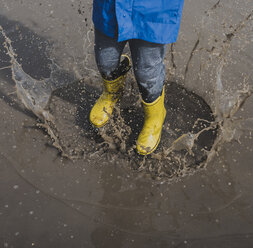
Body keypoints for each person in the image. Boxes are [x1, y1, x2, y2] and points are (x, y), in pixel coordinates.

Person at [89, 0, 184, 155]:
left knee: (147, 73)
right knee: (105, 61)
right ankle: (111, 94)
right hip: (110, 8)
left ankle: (155, 116)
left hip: (154, 12)